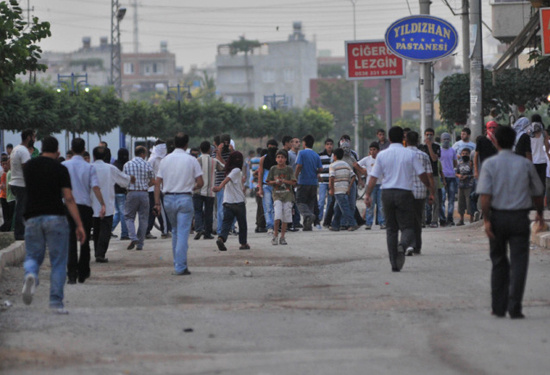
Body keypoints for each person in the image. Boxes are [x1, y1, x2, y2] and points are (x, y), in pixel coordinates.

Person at [477, 125, 544, 319]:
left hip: (498, 218)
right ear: (514, 141)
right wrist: (539, 213)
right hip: (519, 218)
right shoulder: (525, 164)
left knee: (498, 261)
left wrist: (487, 220)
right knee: (519, 261)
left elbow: (485, 197)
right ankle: (515, 306)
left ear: (495, 141)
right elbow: (538, 192)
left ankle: (498, 307)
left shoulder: (490, 164)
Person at [21, 136, 86, 314]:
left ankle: (31, 274)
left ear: (41, 149)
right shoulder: (60, 168)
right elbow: (69, 198)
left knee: (33, 256)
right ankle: (56, 303)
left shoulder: (29, 167)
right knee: (58, 262)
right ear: (58, 152)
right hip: (56, 218)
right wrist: (79, 224)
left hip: (32, 217)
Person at [365, 126, 433, 272]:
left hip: (387, 193)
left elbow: (373, 177)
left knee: (391, 229)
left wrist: (367, 195)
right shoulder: (410, 154)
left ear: (389, 139)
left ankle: (394, 263)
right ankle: (402, 245)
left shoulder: (382, 155)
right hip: (405, 193)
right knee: (408, 227)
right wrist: (429, 189)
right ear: (403, 138)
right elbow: (422, 174)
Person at [155, 133, 203, 275]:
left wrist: (157, 203)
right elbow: (200, 182)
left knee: (175, 231)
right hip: (185, 199)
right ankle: (180, 267)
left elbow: (157, 183)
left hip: (168, 199)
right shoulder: (191, 160)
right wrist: (191, 187)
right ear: (186, 144)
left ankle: (178, 263)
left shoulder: (165, 160)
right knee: (182, 233)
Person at [63, 138, 106, 284]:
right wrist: (102, 204)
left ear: (72, 149)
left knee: (70, 240)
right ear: (83, 149)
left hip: (68, 207)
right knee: (85, 240)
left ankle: (71, 274)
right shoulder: (89, 167)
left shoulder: (64, 165)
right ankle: (83, 272)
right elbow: (95, 187)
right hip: (85, 207)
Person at [90, 146, 133, 263]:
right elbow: (124, 181)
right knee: (105, 230)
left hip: (93, 205)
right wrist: (131, 179)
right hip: (107, 205)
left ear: (93, 156)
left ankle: (97, 253)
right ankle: (100, 253)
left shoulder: (89, 168)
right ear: (105, 156)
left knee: (97, 230)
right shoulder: (110, 168)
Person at [214, 151, 250, 251]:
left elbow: (225, 164)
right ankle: (243, 243)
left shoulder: (229, 170)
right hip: (238, 202)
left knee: (226, 223)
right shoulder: (237, 170)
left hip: (228, 203)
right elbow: (227, 179)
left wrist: (219, 154)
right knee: (242, 224)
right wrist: (219, 187)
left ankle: (221, 239)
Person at [405, 131, 433, 256]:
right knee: (417, 219)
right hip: (420, 192)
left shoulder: (402, 154)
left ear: (406, 140)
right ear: (417, 141)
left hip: (405, 192)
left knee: (406, 220)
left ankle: (409, 244)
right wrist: (431, 193)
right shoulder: (424, 156)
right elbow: (429, 176)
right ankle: (417, 246)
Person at [124, 146, 155, 251]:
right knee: (143, 219)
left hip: (131, 193)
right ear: (142, 154)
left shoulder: (127, 165)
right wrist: (145, 186)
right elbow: (153, 181)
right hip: (144, 193)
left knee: (129, 217)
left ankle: (133, 237)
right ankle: (140, 244)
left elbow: (124, 180)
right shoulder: (147, 164)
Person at [193, 141, 224, 240]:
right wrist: (218, 154)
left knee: (197, 211)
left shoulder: (196, 161)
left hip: (197, 190)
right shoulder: (214, 161)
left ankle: (198, 229)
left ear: (200, 150)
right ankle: (207, 233)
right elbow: (223, 168)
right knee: (208, 213)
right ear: (210, 150)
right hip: (210, 192)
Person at [265, 149, 296, 245]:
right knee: (277, 215)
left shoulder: (289, 169)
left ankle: (282, 236)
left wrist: (284, 181)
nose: (280, 159)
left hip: (287, 196)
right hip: (277, 195)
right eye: (278, 157)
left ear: (286, 159)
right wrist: (275, 182)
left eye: (282, 157)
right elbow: (268, 182)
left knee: (285, 217)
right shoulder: (273, 169)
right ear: (276, 159)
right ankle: (275, 235)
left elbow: (293, 182)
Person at [9, 129, 35, 240]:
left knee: (20, 208)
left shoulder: (15, 149)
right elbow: (27, 169)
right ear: (29, 137)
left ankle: (20, 231)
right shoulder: (24, 151)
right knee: (21, 209)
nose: (34, 139)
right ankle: (19, 233)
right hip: (21, 184)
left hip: (14, 182)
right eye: (34, 137)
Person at [295, 134, 323, 231]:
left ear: (304, 143)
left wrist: (295, 177)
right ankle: (307, 225)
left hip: (303, 181)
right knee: (310, 202)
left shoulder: (301, 153)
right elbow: (320, 168)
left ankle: (308, 215)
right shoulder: (316, 155)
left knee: (300, 201)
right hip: (313, 182)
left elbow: (299, 166)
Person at [329, 148, 358, 231]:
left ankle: (353, 223)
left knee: (345, 208)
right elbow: (353, 176)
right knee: (338, 208)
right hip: (345, 189)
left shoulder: (332, 165)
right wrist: (349, 188)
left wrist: (331, 189)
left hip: (338, 190)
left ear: (334, 156)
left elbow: (331, 177)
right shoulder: (346, 164)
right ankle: (335, 225)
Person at [358, 142, 385, 230]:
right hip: (370, 186)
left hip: (380, 184)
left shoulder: (381, 159)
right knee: (370, 205)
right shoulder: (367, 159)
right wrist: (362, 171)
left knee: (381, 205)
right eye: (371, 150)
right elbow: (356, 164)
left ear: (378, 150)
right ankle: (368, 223)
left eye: (374, 150)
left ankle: (382, 222)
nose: (372, 152)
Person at [419, 128, 442, 227]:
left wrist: (429, 146)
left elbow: (434, 158)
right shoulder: (420, 147)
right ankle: (422, 221)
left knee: (435, 198)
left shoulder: (436, 146)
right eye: (427, 134)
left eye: (431, 134)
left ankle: (434, 220)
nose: (429, 136)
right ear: (424, 135)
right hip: (423, 175)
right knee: (422, 198)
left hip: (434, 175)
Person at [146, 140, 168, 240]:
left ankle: (147, 230)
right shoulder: (154, 159)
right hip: (155, 188)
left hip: (155, 188)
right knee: (160, 210)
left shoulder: (157, 158)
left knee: (153, 211)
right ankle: (164, 230)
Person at [257, 139, 279, 234]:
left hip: (276, 185)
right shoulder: (263, 159)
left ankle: (275, 225)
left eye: (273, 146)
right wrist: (260, 187)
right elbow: (260, 173)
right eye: (270, 146)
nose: (272, 148)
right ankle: (270, 226)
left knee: (276, 207)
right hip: (266, 186)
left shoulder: (279, 158)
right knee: (268, 207)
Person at [112, 148, 130, 240]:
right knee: (123, 213)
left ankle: (108, 230)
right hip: (122, 192)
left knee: (118, 213)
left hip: (114, 192)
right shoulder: (124, 165)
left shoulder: (114, 164)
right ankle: (124, 233)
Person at [440, 132, 458, 226]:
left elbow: (455, 163)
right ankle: (442, 219)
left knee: (451, 200)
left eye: (448, 139)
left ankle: (450, 219)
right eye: (444, 139)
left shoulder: (452, 150)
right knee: (442, 199)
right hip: (441, 177)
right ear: (441, 140)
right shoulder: (438, 150)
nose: (446, 141)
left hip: (451, 177)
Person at [456, 148, 474, 226]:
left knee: (469, 202)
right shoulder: (459, 163)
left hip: (469, 186)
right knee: (461, 203)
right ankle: (461, 219)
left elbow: (474, 174)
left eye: (466, 153)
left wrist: (468, 176)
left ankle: (471, 220)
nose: (464, 155)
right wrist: (459, 175)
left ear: (469, 154)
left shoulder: (471, 164)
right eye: (463, 153)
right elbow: (456, 172)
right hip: (461, 185)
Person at [318, 138, 334, 223]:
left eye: (331, 144)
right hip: (322, 181)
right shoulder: (320, 155)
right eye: (327, 144)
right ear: (325, 145)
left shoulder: (335, 155)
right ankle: (319, 218)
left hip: (332, 181)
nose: (329, 146)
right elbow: (316, 167)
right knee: (321, 200)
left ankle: (327, 219)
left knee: (330, 201)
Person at [529, 122, 549, 188]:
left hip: (533, 161)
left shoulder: (529, 135)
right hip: (542, 161)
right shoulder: (544, 134)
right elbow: (547, 147)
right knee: (542, 182)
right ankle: (542, 197)